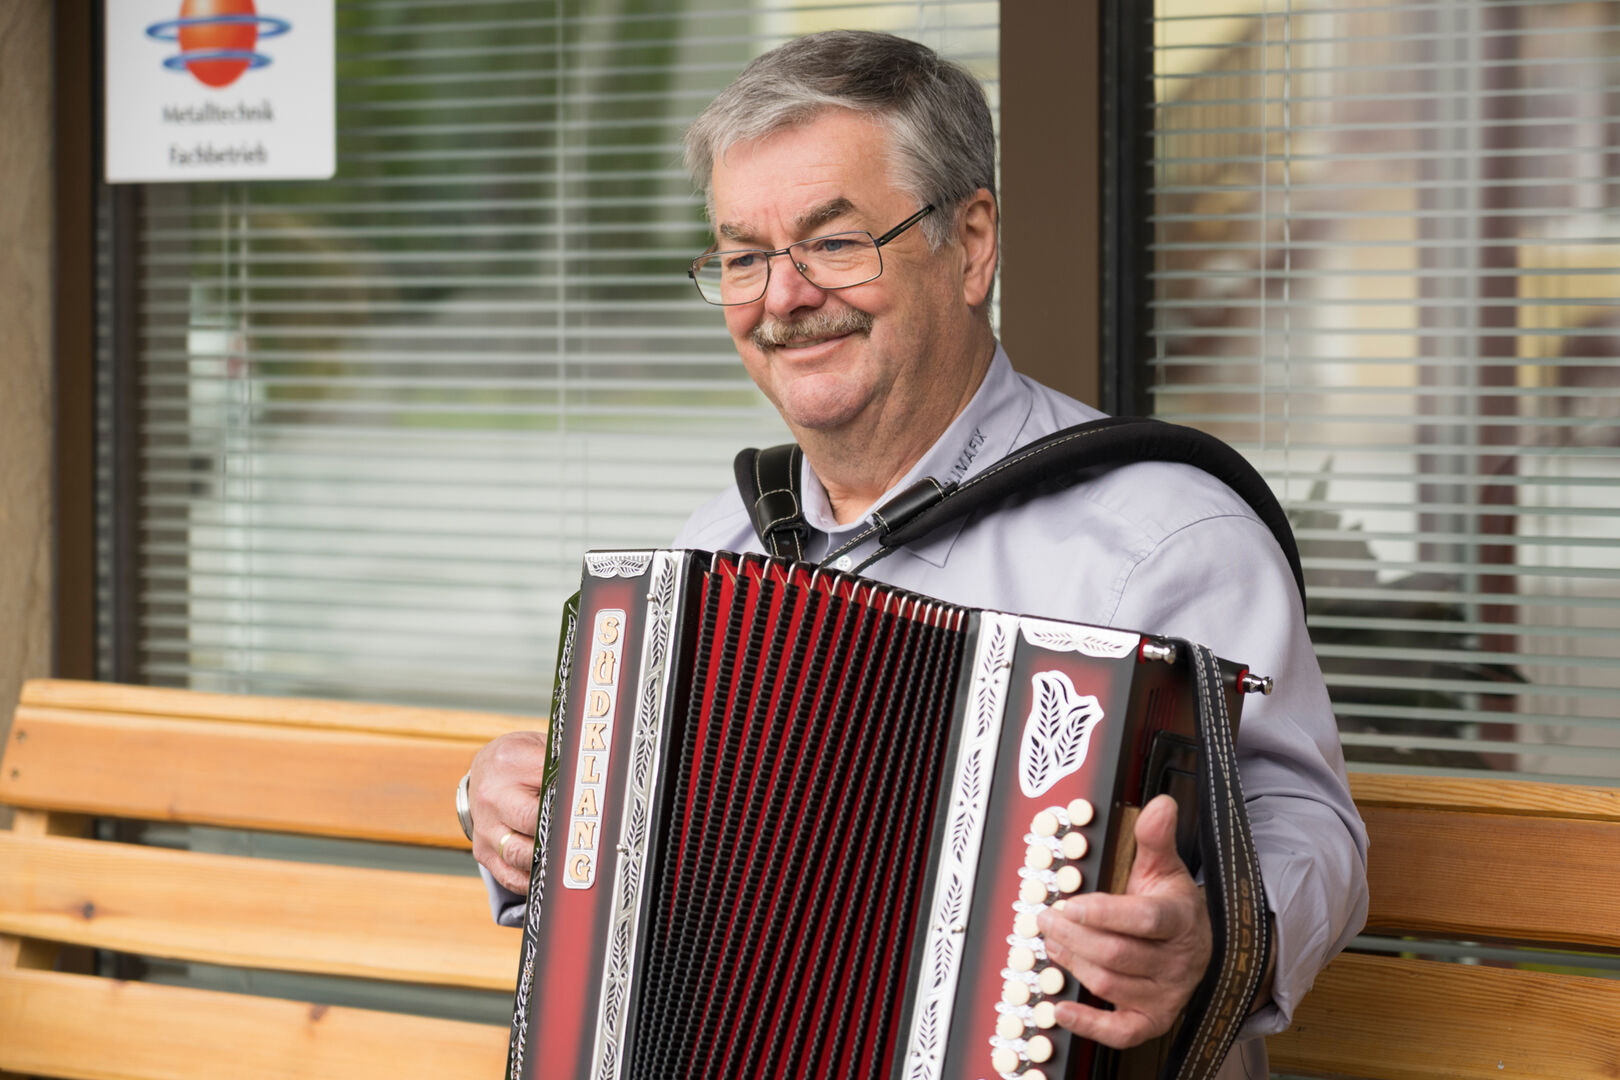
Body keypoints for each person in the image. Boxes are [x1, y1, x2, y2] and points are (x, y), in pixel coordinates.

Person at [466, 29, 1367, 1079]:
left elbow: (1313, 829)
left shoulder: (1163, 535)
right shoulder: (716, 550)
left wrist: (1211, 945)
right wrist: (510, 808)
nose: (783, 297)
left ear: (973, 241)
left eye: (834, 242)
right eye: (744, 256)